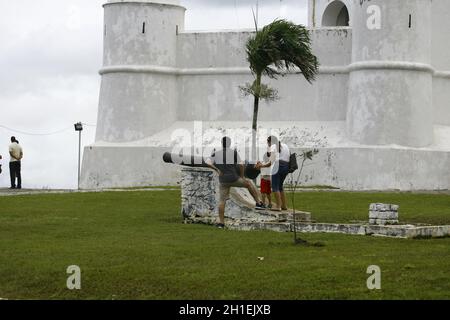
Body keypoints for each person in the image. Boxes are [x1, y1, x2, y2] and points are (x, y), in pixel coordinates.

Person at [206, 137, 265, 228]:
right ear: (229, 144)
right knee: (248, 184)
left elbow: (208, 162)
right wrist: (242, 176)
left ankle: (221, 223)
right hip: (233, 178)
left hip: (223, 181)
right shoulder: (233, 152)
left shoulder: (216, 154)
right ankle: (258, 203)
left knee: (222, 201)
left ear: (222, 143)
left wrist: (217, 169)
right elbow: (241, 164)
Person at [256, 136, 290, 212]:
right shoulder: (285, 146)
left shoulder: (273, 146)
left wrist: (261, 165)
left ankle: (278, 206)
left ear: (270, 142)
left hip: (277, 166)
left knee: (275, 187)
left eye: (268, 143)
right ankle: (284, 205)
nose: (268, 145)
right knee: (280, 187)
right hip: (286, 167)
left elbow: (270, 163)